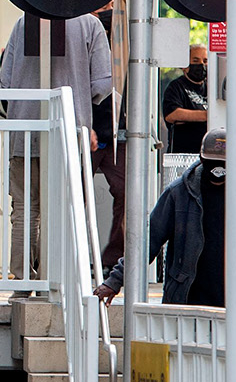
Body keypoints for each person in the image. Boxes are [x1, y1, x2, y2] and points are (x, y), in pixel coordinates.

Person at [0, 11, 113, 279]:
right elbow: (103, 84)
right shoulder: (89, 23)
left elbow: (5, 81)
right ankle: (58, 279)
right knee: (65, 206)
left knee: (25, 208)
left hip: (23, 130)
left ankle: (22, 280)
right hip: (68, 132)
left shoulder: (24, 21)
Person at [94, 129, 228, 307]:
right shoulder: (179, 192)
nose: (217, 169)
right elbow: (148, 242)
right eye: (213, 162)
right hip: (186, 300)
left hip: (233, 301)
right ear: (202, 159)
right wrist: (115, 281)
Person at [161, 44, 210, 155]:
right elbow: (173, 115)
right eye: (195, 61)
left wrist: (190, 117)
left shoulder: (211, 88)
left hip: (207, 154)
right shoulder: (176, 87)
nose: (201, 65)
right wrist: (207, 115)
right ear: (184, 65)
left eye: (205, 61)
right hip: (183, 154)